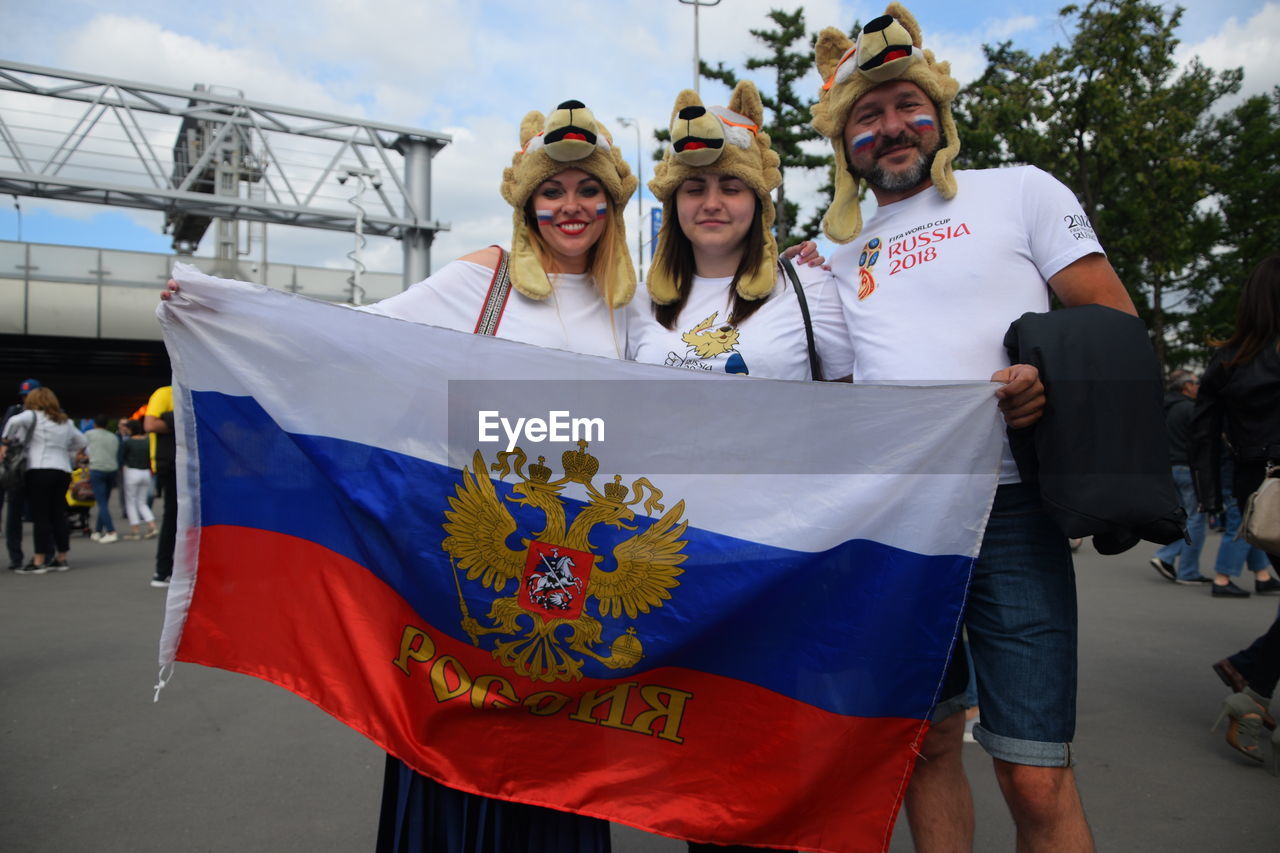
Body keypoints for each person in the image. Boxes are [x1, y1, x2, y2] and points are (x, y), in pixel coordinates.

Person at [166, 97, 640, 852]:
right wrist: (227, 312)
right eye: (553, 190)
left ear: (613, 203)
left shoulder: (631, 305)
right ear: (528, 200)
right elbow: (355, 338)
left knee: (556, 749)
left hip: (570, 570)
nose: (571, 207)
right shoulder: (483, 279)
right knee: (462, 739)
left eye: (589, 191)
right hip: (470, 558)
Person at [810, 4, 1137, 850]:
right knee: (926, 748)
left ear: (941, 111)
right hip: (901, 526)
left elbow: (1111, 320)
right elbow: (836, 391)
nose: (890, 128)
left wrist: (1047, 383)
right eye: (867, 117)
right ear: (845, 145)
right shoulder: (834, 255)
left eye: (906, 106)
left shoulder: (1020, 188)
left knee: (1034, 773)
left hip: (1014, 513)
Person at [628, 80, 852, 386]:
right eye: (694, 190)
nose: (711, 204)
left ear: (757, 200)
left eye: (731, 189)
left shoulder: (810, 287)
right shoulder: (638, 304)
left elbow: (852, 402)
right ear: (673, 203)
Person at [1191, 254, 1280, 769]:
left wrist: (1210, 502)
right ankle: (1250, 681)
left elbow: (1205, 436)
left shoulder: (1228, 361)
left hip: (1261, 498)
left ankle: (1252, 677)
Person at [0, 386, 88, 573]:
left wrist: (6, 440)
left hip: (39, 468)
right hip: (62, 469)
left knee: (40, 515)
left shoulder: (31, 416)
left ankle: (39, 560)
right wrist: (68, 452)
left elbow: (13, 421)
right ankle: (61, 557)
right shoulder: (65, 421)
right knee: (58, 513)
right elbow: (81, 441)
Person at [1149, 370, 1210, 585]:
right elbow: (1202, 440)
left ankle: (1167, 556)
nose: (1198, 386)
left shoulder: (1166, 407)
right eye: (1195, 382)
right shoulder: (1189, 409)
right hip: (1188, 467)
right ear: (1186, 387)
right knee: (1195, 518)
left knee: (1183, 516)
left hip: (1169, 466)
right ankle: (1186, 568)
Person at [1208, 455, 1279, 597]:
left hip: (1237, 477)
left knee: (1254, 529)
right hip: (1239, 479)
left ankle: (1262, 575)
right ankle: (1222, 578)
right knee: (1240, 527)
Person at [2, 378, 40, 569]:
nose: (26, 398)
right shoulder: (15, 411)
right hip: (16, 468)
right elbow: (5, 434)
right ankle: (15, 557)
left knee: (40, 514)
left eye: (29, 395)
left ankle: (42, 554)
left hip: (36, 468)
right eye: (24, 395)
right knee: (14, 515)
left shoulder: (46, 414)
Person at [144, 385, 177, 588]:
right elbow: (150, 424)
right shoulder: (164, 393)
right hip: (171, 466)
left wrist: (168, 419)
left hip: (195, 465)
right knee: (172, 516)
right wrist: (181, 418)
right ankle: (162, 570)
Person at [84, 413, 121, 544]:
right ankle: (98, 531)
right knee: (104, 500)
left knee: (102, 502)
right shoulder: (114, 437)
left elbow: (81, 447)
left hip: (97, 469)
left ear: (95, 424)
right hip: (112, 469)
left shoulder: (89, 434)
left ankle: (111, 531)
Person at [119, 419, 158, 540]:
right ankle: (152, 525)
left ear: (131, 429)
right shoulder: (147, 441)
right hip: (146, 472)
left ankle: (135, 530)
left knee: (131, 502)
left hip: (132, 472)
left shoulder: (128, 442)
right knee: (142, 502)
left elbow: (121, 458)